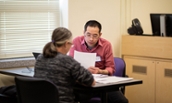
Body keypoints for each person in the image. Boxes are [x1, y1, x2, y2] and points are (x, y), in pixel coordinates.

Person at [69, 20, 128, 103]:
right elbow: (70, 64)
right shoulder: (76, 42)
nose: (91, 39)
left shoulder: (106, 45)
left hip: (101, 83)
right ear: (84, 33)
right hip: (82, 82)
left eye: (95, 36)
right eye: (88, 35)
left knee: (122, 101)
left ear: (100, 35)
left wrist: (100, 71)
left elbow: (111, 68)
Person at [34, 27, 95, 103]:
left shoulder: (40, 58)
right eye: (71, 44)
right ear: (66, 44)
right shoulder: (67, 60)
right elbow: (90, 81)